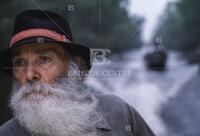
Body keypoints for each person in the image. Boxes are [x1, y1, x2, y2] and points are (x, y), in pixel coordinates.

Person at [0, 10, 155, 136]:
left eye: (44, 59)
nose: (29, 75)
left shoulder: (118, 112)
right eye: (19, 63)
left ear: (75, 67)